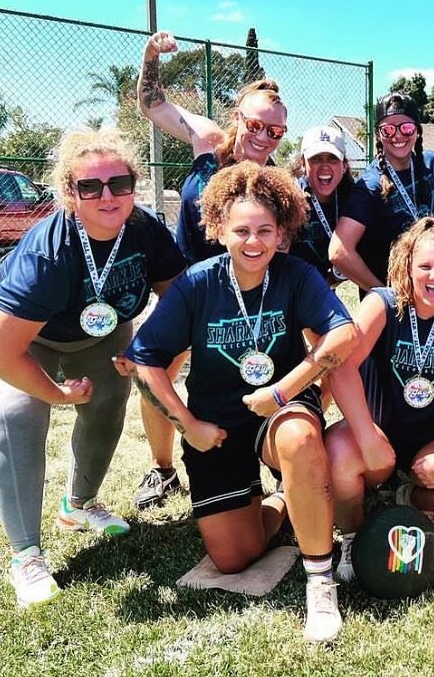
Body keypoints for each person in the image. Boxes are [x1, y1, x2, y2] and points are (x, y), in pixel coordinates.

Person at [125, 161, 358, 643]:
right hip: (216, 424)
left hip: (279, 409)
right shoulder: (196, 284)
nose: (254, 243)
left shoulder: (296, 276)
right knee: (231, 558)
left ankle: (320, 579)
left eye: (265, 231)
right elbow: (144, 361)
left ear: (282, 231)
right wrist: (188, 424)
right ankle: (284, 500)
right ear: (217, 230)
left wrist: (285, 389)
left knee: (297, 437)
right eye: (242, 231)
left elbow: (344, 333)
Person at [0, 127, 186, 608]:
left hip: (94, 331)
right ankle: (26, 554)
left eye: (119, 184)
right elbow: (2, 350)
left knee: (107, 403)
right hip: (6, 333)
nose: (108, 196)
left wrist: (146, 346)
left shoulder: (144, 229)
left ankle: (78, 506)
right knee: (18, 413)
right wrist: (55, 394)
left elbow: (179, 297)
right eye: (90, 186)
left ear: (133, 186)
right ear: (69, 193)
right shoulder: (49, 250)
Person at [132, 30, 287, 510]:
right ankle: (161, 470)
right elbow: (152, 105)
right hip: (186, 283)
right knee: (159, 369)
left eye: (275, 132)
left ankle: (278, 462)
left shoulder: (276, 178)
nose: (263, 137)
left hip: (240, 294)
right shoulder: (209, 140)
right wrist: (150, 56)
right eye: (256, 125)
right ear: (238, 117)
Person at [324, 217, 434, 581]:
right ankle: (353, 536)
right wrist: (367, 436)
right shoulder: (381, 304)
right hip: (378, 437)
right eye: (425, 266)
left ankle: (414, 497)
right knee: (338, 451)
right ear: (408, 267)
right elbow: (340, 368)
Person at [329, 92, 434, 291]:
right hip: (394, 306)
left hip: (433, 289)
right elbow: (338, 251)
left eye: (406, 127)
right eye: (387, 129)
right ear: (378, 134)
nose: (397, 135)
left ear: (417, 131)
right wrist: (383, 295)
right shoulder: (370, 185)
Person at [289, 125, 353, 287]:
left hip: (325, 291)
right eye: (316, 159)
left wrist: (335, 278)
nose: (324, 166)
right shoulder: (289, 200)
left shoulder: (353, 200)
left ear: (344, 166)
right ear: (303, 163)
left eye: (332, 158)